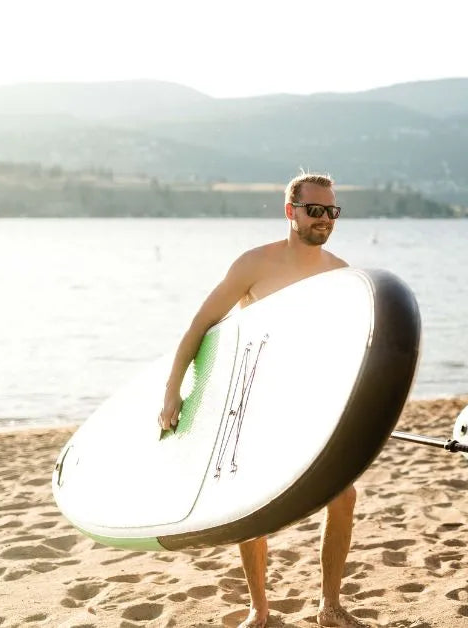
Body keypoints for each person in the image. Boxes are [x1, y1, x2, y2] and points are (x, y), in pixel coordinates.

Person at [157, 173, 365, 628]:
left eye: (332, 212)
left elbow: (344, 347)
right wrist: (175, 389)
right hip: (254, 403)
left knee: (343, 497)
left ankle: (330, 605)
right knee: (251, 506)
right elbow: (200, 325)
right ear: (290, 212)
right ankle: (260, 608)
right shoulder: (255, 264)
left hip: (309, 404)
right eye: (315, 210)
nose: (324, 220)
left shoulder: (341, 274)